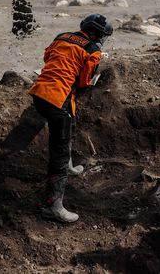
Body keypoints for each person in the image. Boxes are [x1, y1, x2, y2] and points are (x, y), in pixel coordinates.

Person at [28, 14, 113, 223]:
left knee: (68, 126)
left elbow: (47, 57)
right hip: (58, 100)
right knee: (59, 150)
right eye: (102, 36)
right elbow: (84, 82)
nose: (102, 40)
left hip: (39, 93)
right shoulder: (92, 50)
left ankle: (70, 166)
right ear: (94, 33)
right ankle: (53, 206)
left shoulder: (62, 36)